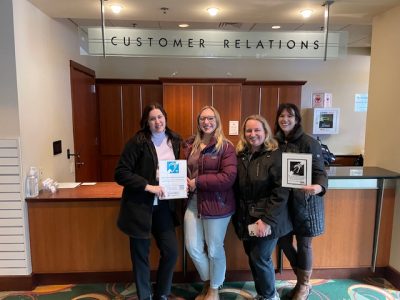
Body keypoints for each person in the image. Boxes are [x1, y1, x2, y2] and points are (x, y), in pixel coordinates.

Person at [115, 103, 181, 300]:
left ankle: (161, 292)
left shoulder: (175, 140)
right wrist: (148, 186)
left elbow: (177, 167)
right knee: (140, 256)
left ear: (165, 118)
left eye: (160, 117)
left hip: (164, 206)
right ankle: (145, 296)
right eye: (152, 119)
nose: (157, 122)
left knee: (171, 251)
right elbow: (120, 173)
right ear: (146, 122)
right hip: (139, 206)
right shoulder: (138, 142)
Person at [233, 114, 292, 300]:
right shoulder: (241, 155)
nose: (253, 134)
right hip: (246, 217)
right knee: (252, 256)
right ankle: (263, 293)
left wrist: (266, 221)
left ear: (265, 131)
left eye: (257, 130)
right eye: (248, 130)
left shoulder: (275, 155)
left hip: (267, 218)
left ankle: (269, 296)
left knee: (260, 257)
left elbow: (281, 191)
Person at [274, 103, 328, 300]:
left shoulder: (309, 142)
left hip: (306, 202)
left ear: (297, 119)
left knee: (304, 244)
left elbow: (320, 172)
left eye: (290, 116)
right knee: (283, 240)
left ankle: (303, 286)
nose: (285, 119)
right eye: (281, 116)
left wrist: (318, 187)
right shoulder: (274, 142)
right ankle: (302, 278)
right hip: (283, 203)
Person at [183, 106, 237, 300]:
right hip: (193, 202)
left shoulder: (226, 147)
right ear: (198, 121)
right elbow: (185, 170)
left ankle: (214, 287)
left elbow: (228, 178)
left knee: (214, 248)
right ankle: (208, 279)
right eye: (203, 119)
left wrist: (197, 182)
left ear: (217, 120)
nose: (206, 122)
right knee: (193, 247)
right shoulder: (191, 145)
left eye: (211, 118)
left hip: (218, 204)